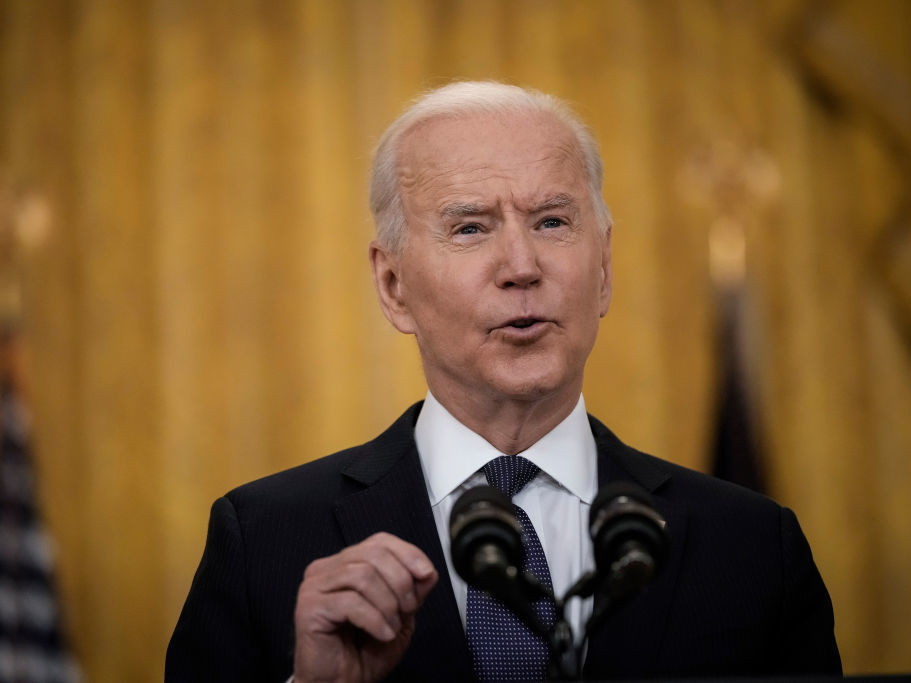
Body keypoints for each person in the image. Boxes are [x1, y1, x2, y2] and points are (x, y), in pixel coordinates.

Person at [165, 81, 841, 682]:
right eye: (469, 227)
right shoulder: (264, 540)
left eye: (551, 221)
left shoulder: (752, 544)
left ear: (602, 268)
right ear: (392, 284)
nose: (520, 265)